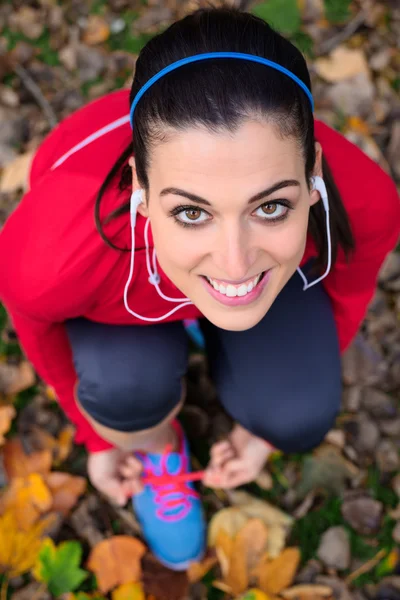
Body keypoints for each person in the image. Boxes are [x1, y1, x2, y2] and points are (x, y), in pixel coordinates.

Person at [1, 6, 399, 570]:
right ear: (140, 184)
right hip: (119, 295)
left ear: (312, 172)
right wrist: (103, 439)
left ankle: (205, 312)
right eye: (191, 212)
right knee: (124, 391)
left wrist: (263, 429)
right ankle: (159, 450)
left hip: (250, 281)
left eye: (271, 205)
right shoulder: (52, 251)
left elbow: (348, 297)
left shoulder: (367, 203)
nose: (234, 262)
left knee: (296, 413)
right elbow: (39, 331)